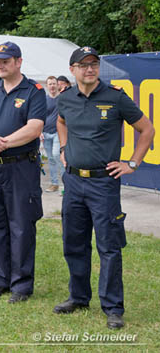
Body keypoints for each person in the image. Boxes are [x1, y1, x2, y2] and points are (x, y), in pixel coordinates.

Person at [54, 46, 154, 329]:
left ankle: (112, 307)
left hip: (103, 184)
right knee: (74, 243)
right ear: (72, 69)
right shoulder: (66, 99)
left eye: (94, 64)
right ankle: (78, 297)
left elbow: (147, 130)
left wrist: (132, 164)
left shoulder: (116, 97)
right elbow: (61, 123)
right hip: (73, 182)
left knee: (109, 246)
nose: (90, 69)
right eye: (83, 65)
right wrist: (63, 148)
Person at [0, 41, 46, 302]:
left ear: (19, 62)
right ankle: (0, 280)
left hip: (21, 168)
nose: (0, 65)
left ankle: (21, 285)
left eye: (6, 60)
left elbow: (34, 128)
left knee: (22, 226)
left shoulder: (33, 91)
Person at [42, 76, 63, 192]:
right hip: (45, 133)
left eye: (54, 83)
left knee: (56, 155)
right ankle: (54, 183)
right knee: (50, 158)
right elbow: (39, 116)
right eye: (50, 84)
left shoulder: (62, 99)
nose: (52, 86)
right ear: (47, 86)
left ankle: (65, 184)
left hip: (57, 133)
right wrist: (39, 131)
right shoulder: (44, 99)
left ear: (57, 85)